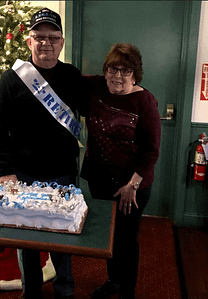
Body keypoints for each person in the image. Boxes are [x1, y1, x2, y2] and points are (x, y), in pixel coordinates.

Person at [0, 8, 86, 299]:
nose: (46, 42)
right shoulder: (11, 79)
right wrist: (6, 171)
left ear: (62, 42)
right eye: (39, 36)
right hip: (24, 174)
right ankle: (30, 290)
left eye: (52, 37)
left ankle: (64, 289)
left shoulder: (72, 76)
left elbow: (97, 107)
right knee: (27, 240)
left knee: (63, 238)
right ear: (29, 41)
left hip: (63, 173)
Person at [80, 43, 161, 299]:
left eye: (125, 70)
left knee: (127, 242)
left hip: (131, 186)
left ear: (135, 74)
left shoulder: (144, 101)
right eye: (113, 68)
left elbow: (151, 151)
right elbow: (63, 78)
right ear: (105, 71)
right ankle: (113, 281)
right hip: (100, 179)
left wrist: (132, 186)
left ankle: (127, 292)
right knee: (109, 237)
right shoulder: (95, 87)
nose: (118, 75)